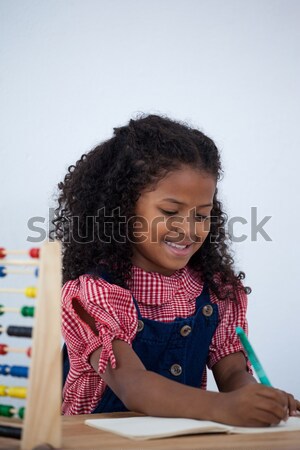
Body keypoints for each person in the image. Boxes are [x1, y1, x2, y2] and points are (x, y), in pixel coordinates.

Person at [53, 114, 300, 425]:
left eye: (202, 215)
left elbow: (234, 372)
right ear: (123, 209)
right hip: (92, 441)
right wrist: (225, 408)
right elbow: (133, 386)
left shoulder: (215, 291)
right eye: (170, 211)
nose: (188, 229)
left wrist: (257, 399)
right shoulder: (95, 294)